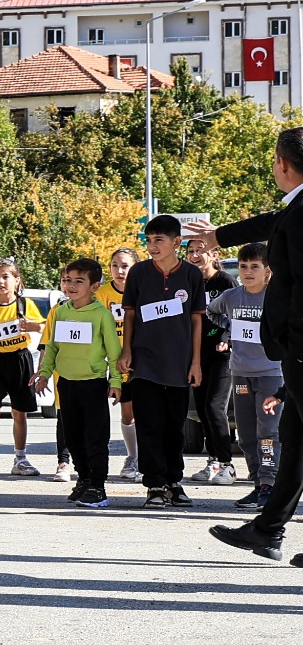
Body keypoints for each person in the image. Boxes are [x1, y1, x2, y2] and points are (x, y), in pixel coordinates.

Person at [207, 129, 303, 560]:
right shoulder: (296, 210)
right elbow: (274, 221)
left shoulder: (301, 215)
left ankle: (268, 529)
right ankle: (268, 530)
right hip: (296, 348)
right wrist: (218, 236)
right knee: (295, 439)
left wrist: (294, 340)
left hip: (302, 346)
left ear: (283, 164)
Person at [117, 213, 208, 508]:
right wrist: (126, 350)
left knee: (174, 426)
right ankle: (154, 483)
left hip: (179, 363)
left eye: (159, 240)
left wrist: (195, 362)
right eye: (149, 240)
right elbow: (130, 314)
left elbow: (196, 321)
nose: (153, 246)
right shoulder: (140, 272)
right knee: (149, 424)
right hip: (145, 362)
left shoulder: (192, 275)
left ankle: (174, 481)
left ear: (176, 242)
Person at [39, 255, 121, 508]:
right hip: (66, 383)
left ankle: (98, 485)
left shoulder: (101, 315)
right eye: (66, 280)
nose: (71, 286)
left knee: (95, 438)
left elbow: (113, 352)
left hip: (92, 384)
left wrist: (116, 381)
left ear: (94, 286)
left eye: (78, 281)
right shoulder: (60, 311)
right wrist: (44, 374)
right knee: (73, 437)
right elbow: (52, 347)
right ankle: (84, 478)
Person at [215, 244, 278, 503]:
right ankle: (257, 483)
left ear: (268, 271)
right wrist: (228, 330)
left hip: (272, 374)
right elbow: (211, 312)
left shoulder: (276, 298)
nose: (248, 272)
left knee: (268, 433)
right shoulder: (231, 297)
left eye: (255, 267)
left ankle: (270, 483)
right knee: (247, 434)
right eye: (243, 267)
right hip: (240, 373)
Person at [0, 259, 43, 480]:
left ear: (16, 280)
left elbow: (45, 327)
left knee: (19, 412)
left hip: (19, 359)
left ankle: (20, 458)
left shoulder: (24, 304)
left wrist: (32, 326)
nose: (1, 281)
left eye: (6, 277)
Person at [189, 233, 240, 482]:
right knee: (201, 409)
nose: (195, 255)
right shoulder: (189, 283)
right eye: (190, 251)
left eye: (201, 250)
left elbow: (236, 315)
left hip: (223, 356)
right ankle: (213, 462)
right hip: (197, 356)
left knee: (214, 407)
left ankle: (227, 464)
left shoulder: (226, 281)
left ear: (214, 254)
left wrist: (226, 337)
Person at [98, 245, 141, 482]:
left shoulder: (143, 289)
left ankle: (144, 459)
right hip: (114, 360)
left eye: (125, 266)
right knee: (127, 412)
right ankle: (132, 457)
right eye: (115, 265)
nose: (119, 270)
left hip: (142, 357)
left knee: (145, 410)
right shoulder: (103, 293)